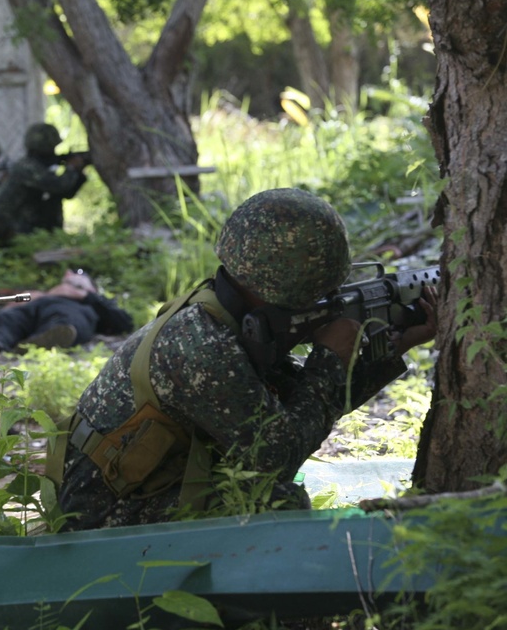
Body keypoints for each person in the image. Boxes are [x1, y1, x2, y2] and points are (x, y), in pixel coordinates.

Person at [55, 188, 438, 531]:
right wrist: (328, 359)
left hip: (144, 486)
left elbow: (293, 406)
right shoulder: (203, 346)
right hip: (101, 519)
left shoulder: (225, 314)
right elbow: (278, 456)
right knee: (273, 503)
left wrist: (392, 348)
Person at [0, 269, 133, 356]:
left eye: (79, 274)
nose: (70, 275)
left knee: (64, 321)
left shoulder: (93, 302)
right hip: (33, 309)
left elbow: (124, 323)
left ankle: (42, 340)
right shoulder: (41, 294)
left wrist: (84, 295)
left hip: (70, 310)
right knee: (7, 318)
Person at [0, 123, 89, 236]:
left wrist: (78, 172)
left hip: (36, 229)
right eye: (52, 149)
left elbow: (66, 193)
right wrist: (71, 168)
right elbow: (57, 185)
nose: (54, 152)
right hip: (18, 231)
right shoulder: (26, 168)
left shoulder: (39, 168)